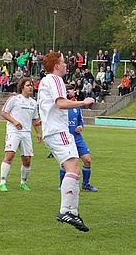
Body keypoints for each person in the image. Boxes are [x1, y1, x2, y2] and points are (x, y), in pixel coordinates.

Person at [38, 52, 95, 232]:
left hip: (53, 131)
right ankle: (65, 211)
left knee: (74, 169)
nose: (65, 65)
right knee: (73, 169)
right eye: (63, 62)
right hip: (58, 131)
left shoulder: (46, 81)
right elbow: (61, 103)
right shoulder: (55, 80)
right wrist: (83, 102)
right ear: (56, 65)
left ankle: (73, 211)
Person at [0, 78, 41, 192]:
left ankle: (23, 182)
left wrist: (38, 132)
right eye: (28, 85)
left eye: (32, 85)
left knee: (27, 160)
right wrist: (14, 121)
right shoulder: (14, 99)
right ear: (22, 87)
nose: (31, 87)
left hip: (26, 133)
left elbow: (34, 120)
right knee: (10, 155)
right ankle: (2, 182)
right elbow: (3, 112)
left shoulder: (33, 102)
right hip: (13, 131)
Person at [57, 84, 98, 192]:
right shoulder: (60, 106)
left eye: (73, 91)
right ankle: (62, 185)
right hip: (65, 138)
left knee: (87, 160)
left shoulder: (76, 107)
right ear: (66, 93)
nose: (73, 93)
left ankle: (85, 184)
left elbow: (80, 121)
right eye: (71, 91)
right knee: (66, 163)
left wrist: (80, 127)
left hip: (77, 138)